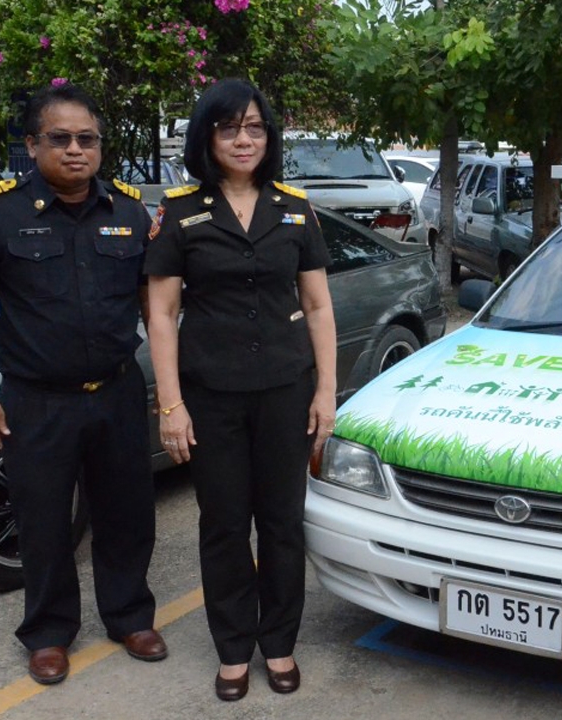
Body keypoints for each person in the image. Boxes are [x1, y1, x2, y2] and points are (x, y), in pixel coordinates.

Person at [0, 84, 167, 685]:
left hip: (116, 392)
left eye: (86, 139)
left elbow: (154, 304)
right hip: (36, 400)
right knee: (41, 521)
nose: (74, 150)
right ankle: (48, 633)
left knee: (127, 514)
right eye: (59, 139)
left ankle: (129, 616)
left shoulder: (129, 210)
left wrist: (172, 391)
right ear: (33, 144)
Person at [144, 78, 337, 701]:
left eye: (255, 127)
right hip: (212, 395)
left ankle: (278, 644)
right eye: (230, 128)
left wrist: (326, 391)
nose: (244, 138)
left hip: (285, 389)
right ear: (208, 137)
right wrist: (170, 405)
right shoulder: (179, 213)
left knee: (282, 523)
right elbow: (162, 315)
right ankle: (233, 650)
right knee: (224, 523)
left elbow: (316, 307)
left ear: (269, 136)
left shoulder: (294, 208)